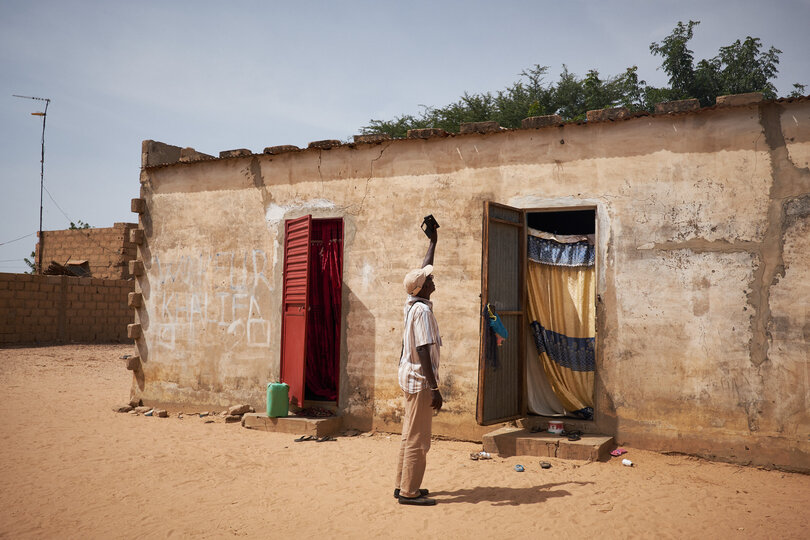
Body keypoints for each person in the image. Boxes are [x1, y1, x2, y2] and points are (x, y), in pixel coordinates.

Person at [394, 227, 442, 506]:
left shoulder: (412, 302)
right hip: (421, 381)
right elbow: (423, 348)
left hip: (409, 377)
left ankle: (402, 485)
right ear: (422, 288)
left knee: (408, 434)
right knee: (418, 439)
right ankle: (409, 492)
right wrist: (434, 387)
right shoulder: (422, 311)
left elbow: (423, 270)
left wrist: (433, 241)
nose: (432, 279)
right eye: (429, 280)